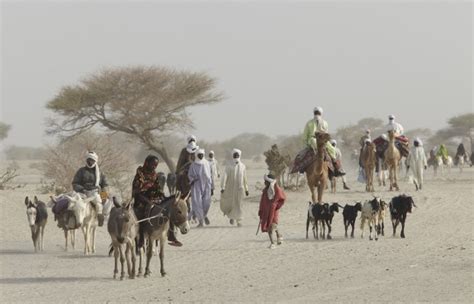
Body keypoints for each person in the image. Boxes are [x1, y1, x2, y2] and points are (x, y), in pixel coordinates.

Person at [132, 155, 164, 247]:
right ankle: (141, 237)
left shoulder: (154, 174)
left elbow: (158, 187)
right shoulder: (140, 174)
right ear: (147, 163)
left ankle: (170, 234)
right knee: (142, 214)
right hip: (140, 199)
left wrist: (162, 195)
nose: (154, 166)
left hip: (152, 198)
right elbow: (137, 191)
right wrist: (148, 201)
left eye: (156, 165)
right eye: (152, 164)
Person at [300, 106, 343, 175]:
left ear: (321, 113)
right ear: (314, 113)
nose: (317, 114)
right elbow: (305, 135)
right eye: (316, 112)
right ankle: (301, 168)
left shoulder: (325, 123)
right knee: (302, 153)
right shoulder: (309, 123)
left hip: (323, 140)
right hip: (312, 139)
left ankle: (336, 167)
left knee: (332, 149)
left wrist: (326, 140)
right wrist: (306, 142)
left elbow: (326, 133)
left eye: (318, 113)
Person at [72, 151, 108, 226]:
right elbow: (75, 183)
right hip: (82, 192)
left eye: (92, 160)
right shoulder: (81, 171)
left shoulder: (100, 173)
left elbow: (104, 185)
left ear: (95, 161)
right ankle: (73, 220)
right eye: (89, 160)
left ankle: (99, 218)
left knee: (99, 204)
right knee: (73, 204)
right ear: (86, 160)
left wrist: (104, 196)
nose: (90, 162)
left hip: (94, 192)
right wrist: (82, 189)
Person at [220, 149, 249, 227]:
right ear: (233, 156)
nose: (236, 156)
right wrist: (223, 187)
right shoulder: (229, 165)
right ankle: (231, 217)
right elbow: (225, 176)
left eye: (237, 155)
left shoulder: (243, 166)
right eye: (235, 155)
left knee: (239, 205)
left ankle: (239, 221)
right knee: (231, 203)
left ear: (239, 156)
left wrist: (246, 189)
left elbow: (245, 178)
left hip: (240, 189)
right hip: (230, 188)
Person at [258, 174, 286, 249]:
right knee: (269, 226)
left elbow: (282, 199)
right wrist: (260, 210)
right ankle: (278, 236)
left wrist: (276, 206)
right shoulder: (265, 191)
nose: (264, 183)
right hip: (266, 212)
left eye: (266, 181)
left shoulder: (277, 190)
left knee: (272, 226)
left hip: (274, 211)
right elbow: (262, 202)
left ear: (269, 182)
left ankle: (272, 243)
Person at [188, 148, 213, 227]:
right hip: (196, 186)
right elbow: (190, 175)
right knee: (197, 203)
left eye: (202, 155)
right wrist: (193, 179)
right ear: (196, 155)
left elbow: (210, 175)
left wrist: (212, 187)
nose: (201, 156)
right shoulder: (193, 165)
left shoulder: (207, 163)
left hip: (206, 185)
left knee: (207, 203)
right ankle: (201, 221)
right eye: (199, 155)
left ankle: (204, 215)